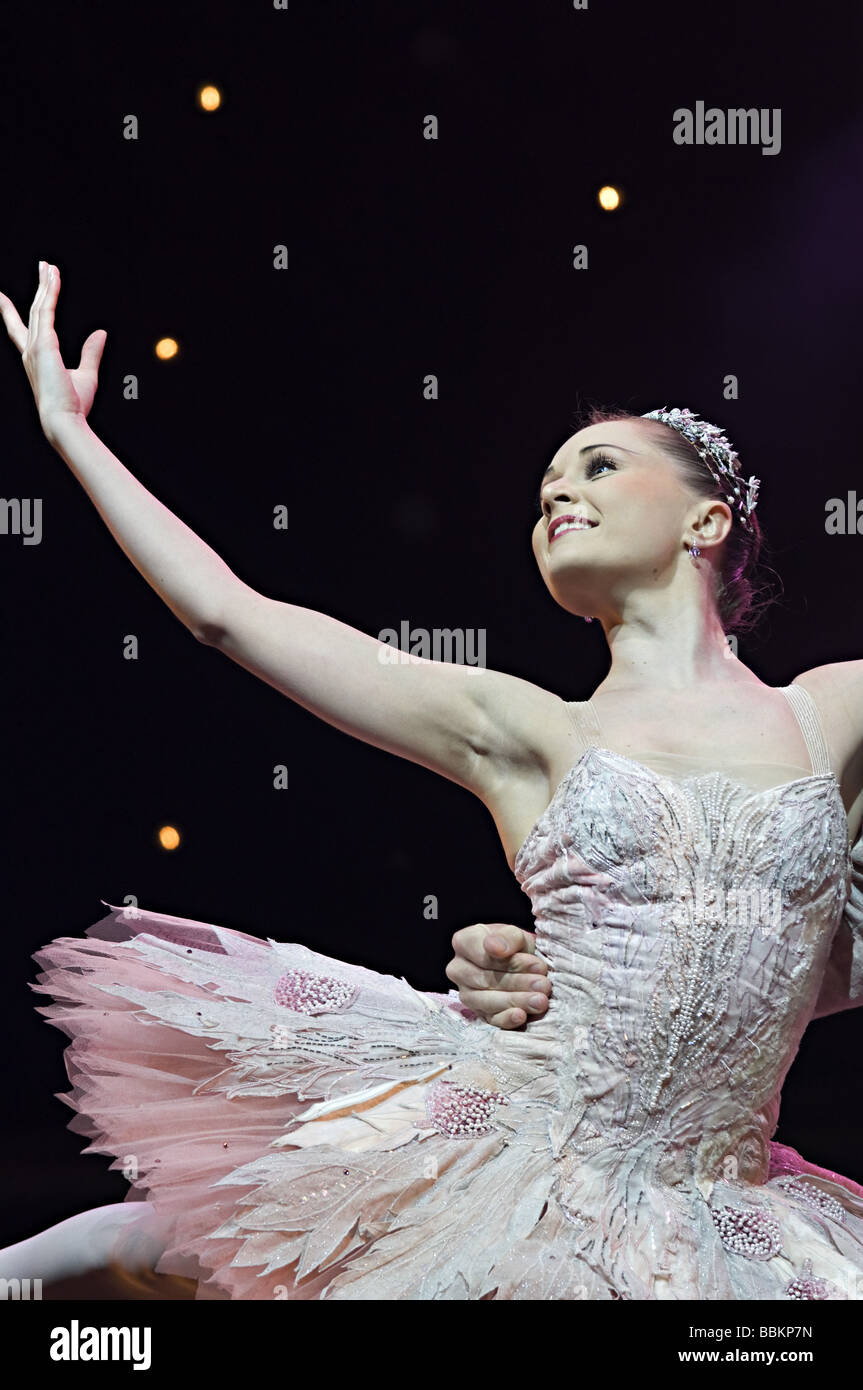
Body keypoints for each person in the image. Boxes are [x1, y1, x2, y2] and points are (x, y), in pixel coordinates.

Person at [1, 261, 862, 1301]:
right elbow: (229, 614)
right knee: (124, 1253)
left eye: (595, 466)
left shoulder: (828, 717)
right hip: (526, 1159)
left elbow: (797, 965)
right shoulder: (528, 729)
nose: (555, 490)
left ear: (705, 521)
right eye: (546, 480)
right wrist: (71, 434)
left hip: (728, 1223)